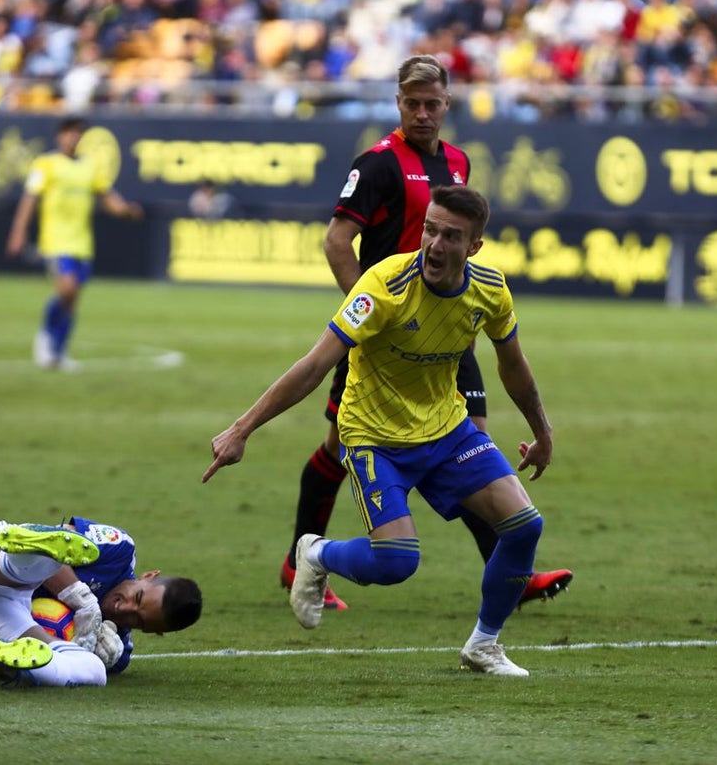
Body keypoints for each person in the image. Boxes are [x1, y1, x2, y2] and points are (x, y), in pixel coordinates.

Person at [205, 186, 554, 676]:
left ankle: (484, 645)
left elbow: (513, 366)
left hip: (447, 430)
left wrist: (543, 432)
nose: (434, 244)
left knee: (524, 526)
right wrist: (242, 429)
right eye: (430, 229)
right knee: (396, 563)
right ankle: (317, 552)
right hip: (374, 437)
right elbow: (314, 365)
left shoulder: (490, 290)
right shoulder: (384, 286)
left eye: (450, 236)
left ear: (474, 246)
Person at [279, 54, 570, 612]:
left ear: (446, 105)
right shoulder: (380, 164)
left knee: (469, 443)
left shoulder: (457, 163)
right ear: (398, 104)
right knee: (339, 449)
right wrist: (364, 318)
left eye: (431, 103)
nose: (421, 113)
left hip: (448, 330)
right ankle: (301, 559)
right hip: (384, 335)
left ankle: (510, 567)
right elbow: (338, 241)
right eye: (411, 103)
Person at [0, 518, 202, 687]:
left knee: (93, 672)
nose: (124, 609)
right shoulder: (119, 550)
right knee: (39, 561)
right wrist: (82, 601)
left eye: (139, 620)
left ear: (153, 632)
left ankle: (10, 659)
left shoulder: (114, 649)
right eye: (138, 597)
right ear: (149, 576)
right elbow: (63, 533)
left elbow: (102, 662)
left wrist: (86, 654)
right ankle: (26, 546)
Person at [6, 117, 143, 371]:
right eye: (69, 133)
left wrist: (125, 211)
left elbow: (107, 197)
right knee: (66, 290)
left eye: (78, 134)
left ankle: (58, 352)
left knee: (72, 299)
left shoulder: (90, 167)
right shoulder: (46, 164)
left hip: (82, 243)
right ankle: (46, 336)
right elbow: (30, 199)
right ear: (60, 136)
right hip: (56, 242)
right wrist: (18, 232)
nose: (74, 138)